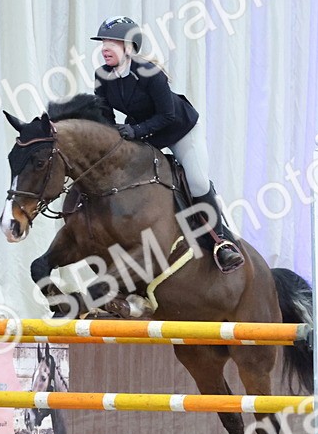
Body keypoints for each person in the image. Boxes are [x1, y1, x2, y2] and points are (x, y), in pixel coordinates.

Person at [90, 16, 245, 273]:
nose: (105, 47)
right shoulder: (102, 75)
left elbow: (167, 116)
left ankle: (221, 243)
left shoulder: (150, 73)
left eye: (113, 42)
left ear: (129, 47)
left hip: (179, 130)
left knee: (196, 181)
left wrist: (135, 130)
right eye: (104, 41)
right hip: (142, 133)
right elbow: (105, 114)